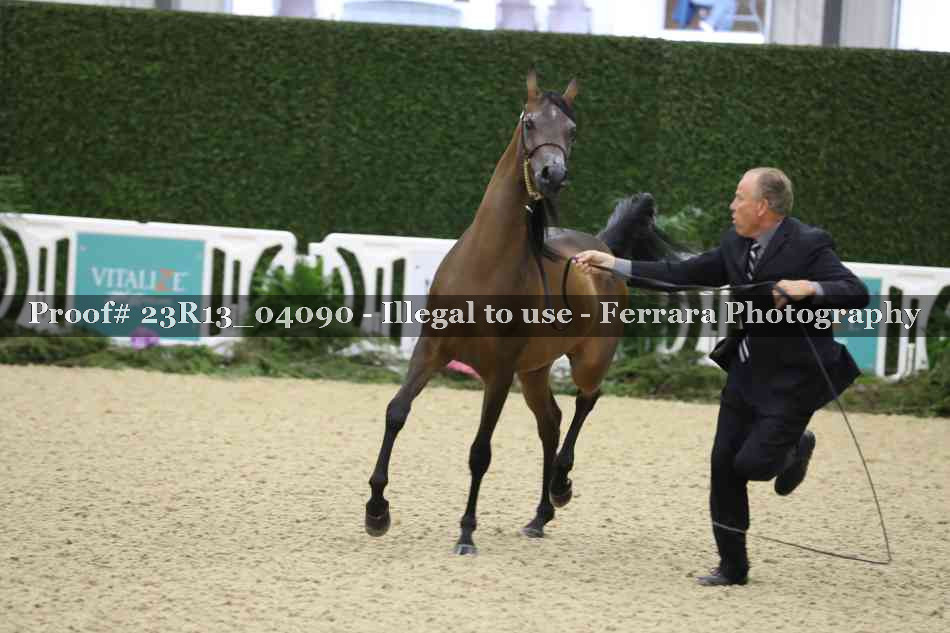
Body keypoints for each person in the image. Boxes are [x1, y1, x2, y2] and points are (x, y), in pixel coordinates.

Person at [574, 167, 869, 586]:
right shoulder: (734, 244)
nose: (732, 206)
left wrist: (809, 288)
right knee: (723, 467)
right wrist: (612, 264)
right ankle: (733, 567)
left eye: (739, 198)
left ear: (762, 206)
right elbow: (680, 275)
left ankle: (794, 447)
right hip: (745, 371)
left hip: (794, 379)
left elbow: (855, 292)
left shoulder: (809, 243)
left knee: (752, 465)